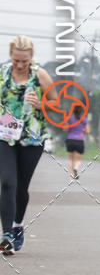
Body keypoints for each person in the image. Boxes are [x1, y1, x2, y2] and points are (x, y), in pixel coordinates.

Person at [0, 36, 58, 254]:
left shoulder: (40, 75)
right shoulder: (3, 73)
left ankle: (18, 225)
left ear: (31, 57)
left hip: (32, 138)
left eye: (24, 61)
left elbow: (55, 102)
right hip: (4, 137)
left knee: (21, 188)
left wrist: (40, 104)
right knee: (8, 183)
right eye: (16, 60)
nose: (20, 65)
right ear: (10, 56)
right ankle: (6, 235)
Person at [64, 105, 90, 178]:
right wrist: (82, 131)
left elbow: (65, 129)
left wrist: (70, 128)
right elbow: (88, 131)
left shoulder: (69, 119)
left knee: (71, 159)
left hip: (70, 140)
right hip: (79, 141)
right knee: (78, 159)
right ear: (81, 112)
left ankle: (72, 174)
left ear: (73, 111)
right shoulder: (84, 120)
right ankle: (76, 168)